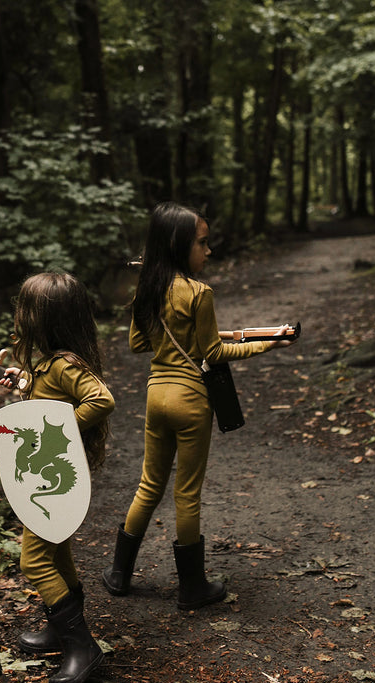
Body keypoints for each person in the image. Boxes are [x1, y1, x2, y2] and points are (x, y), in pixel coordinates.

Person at [102, 201, 293, 610]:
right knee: (186, 494)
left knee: (149, 485)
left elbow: (139, 344)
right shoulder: (198, 292)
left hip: (156, 397)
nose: (208, 251)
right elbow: (213, 352)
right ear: (178, 244)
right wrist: (268, 343)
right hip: (190, 400)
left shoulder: (147, 289)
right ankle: (192, 588)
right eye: (202, 243)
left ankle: (119, 574)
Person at [0, 272, 115, 683]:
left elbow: (101, 399)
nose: (19, 316)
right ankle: (60, 629)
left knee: (34, 561)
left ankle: (82, 647)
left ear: (43, 319)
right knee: (58, 549)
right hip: (48, 473)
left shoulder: (65, 364)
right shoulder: (47, 364)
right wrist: (24, 383)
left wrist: (60, 432)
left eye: (24, 310)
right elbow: (46, 401)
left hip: (55, 474)